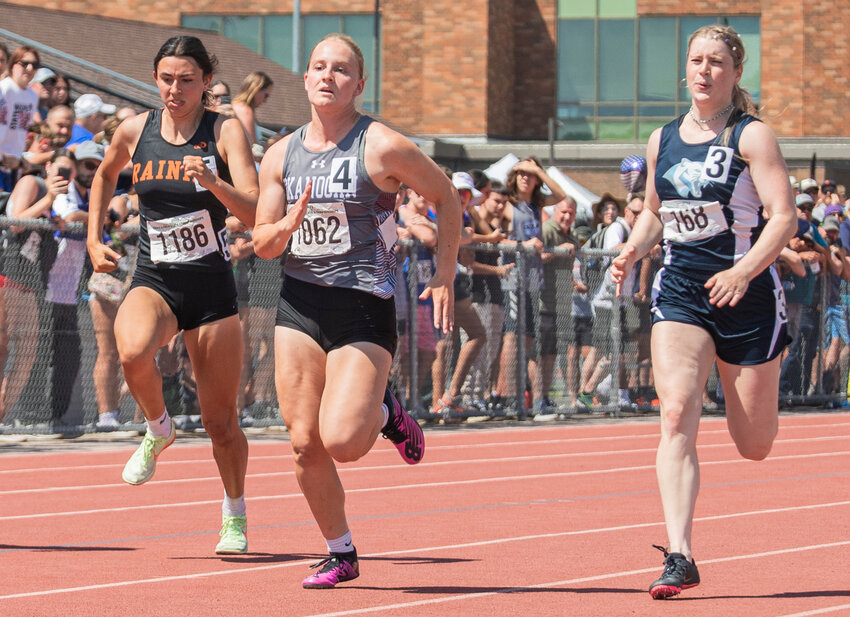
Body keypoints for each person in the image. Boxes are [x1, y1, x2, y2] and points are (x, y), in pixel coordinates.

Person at [252, 33, 460, 589]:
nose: (328, 77)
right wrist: (283, 229)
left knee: (343, 441)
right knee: (303, 442)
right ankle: (340, 551)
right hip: (299, 301)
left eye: (341, 69)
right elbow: (264, 243)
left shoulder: (383, 146)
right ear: (306, 78)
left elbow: (447, 196)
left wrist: (444, 272)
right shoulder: (281, 154)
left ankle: (388, 415)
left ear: (359, 84)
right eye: (318, 67)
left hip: (363, 304)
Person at [610, 25, 797, 599]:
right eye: (696, 60)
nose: (704, 71)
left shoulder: (752, 136)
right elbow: (656, 212)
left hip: (747, 296)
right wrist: (632, 247)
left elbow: (784, 216)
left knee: (754, 445)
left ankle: (757, 375)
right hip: (683, 291)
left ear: (736, 73)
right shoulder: (662, 138)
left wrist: (744, 271)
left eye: (716, 62)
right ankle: (681, 554)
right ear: (685, 69)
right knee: (676, 414)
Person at [86, 35, 258, 555]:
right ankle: (158, 428)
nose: (174, 89)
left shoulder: (224, 131)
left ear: (206, 81)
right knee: (132, 350)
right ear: (155, 78)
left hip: (210, 287)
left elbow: (254, 212)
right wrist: (94, 238)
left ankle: (234, 514)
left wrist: (214, 182)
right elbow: (104, 173)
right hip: (156, 277)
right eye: (166, 78)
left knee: (220, 422)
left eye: (187, 79)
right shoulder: (137, 129)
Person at [0, 148, 71, 422]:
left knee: (28, 350)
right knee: (3, 348)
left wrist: (55, 221)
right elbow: (17, 223)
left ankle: (3, 415)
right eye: (60, 170)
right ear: (48, 166)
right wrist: (49, 198)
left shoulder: (54, 200)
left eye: (69, 174)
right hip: (6, 271)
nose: (63, 176)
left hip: (27, 279)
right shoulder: (33, 183)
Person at [495, 157, 566, 412]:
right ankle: (504, 394)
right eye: (522, 173)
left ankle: (517, 394)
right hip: (513, 279)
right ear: (514, 176)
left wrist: (538, 170)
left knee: (525, 340)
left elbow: (560, 194)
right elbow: (495, 241)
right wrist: (521, 246)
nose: (526, 178)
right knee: (513, 337)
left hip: (533, 281)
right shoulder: (507, 205)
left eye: (531, 174)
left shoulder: (536, 205)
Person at [46, 141, 104, 427]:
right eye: (87, 165)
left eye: (97, 166)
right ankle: (36, 418)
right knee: (41, 355)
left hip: (68, 293)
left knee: (70, 356)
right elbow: (69, 218)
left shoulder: (93, 195)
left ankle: (56, 418)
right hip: (45, 287)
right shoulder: (64, 190)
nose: (92, 172)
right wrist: (98, 217)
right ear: (76, 166)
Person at [535, 196, 578, 419]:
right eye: (563, 212)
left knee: (552, 353)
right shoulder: (548, 230)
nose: (566, 216)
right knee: (540, 354)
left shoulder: (570, 234)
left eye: (571, 213)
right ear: (555, 211)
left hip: (560, 304)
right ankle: (535, 400)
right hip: (542, 303)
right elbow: (534, 259)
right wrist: (559, 250)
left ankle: (544, 398)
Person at [0, 46, 40, 191]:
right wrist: (3, 157)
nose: (29, 68)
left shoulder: (33, 95)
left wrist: (20, 158)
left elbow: (20, 129)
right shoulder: (5, 88)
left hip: (15, 162)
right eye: (24, 63)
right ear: (13, 64)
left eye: (35, 65)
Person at [232, 71, 272, 146]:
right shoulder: (244, 110)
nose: (265, 101)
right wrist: (272, 143)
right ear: (256, 89)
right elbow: (252, 148)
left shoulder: (237, 107)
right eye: (266, 95)